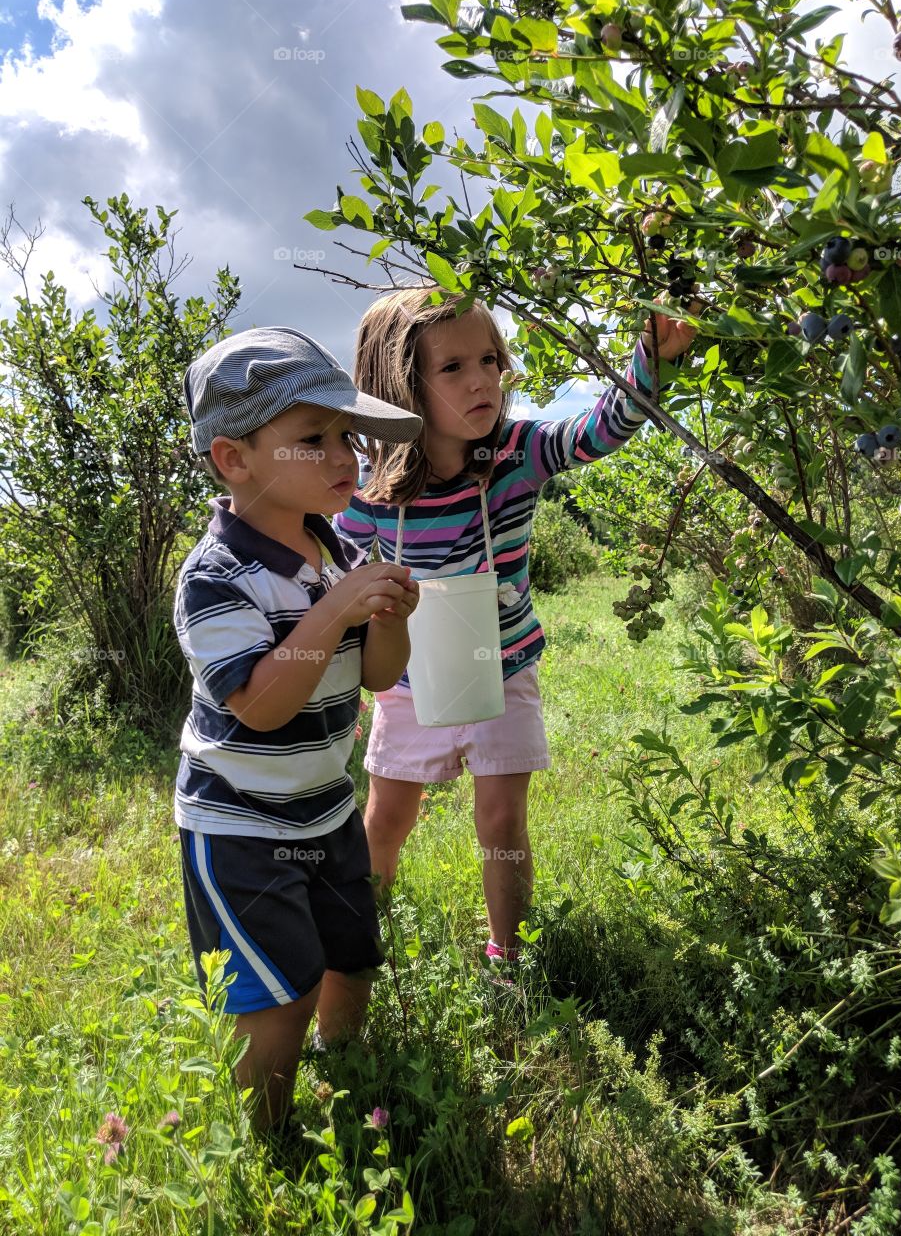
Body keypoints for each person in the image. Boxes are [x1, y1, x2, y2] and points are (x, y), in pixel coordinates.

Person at [333, 288, 696, 969]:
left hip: (503, 667)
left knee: (502, 821)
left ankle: (510, 960)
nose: (482, 381)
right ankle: (357, 941)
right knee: (387, 818)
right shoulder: (370, 491)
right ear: (399, 382)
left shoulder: (518, 453)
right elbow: (335, 574)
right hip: (410, 681)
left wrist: (649, 359)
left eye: (491, 360)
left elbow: (600, 429)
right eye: (453, 368)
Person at [174, 326, 421, 1136]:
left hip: (325, 806)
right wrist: (339, 607)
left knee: (352, 956)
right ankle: (271, 1137)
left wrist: (387, 614)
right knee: (279, 991)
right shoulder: (215, 578)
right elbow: (261, 705)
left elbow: (380, 676)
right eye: (312, 438)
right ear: (234, 461)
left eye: (346, 436)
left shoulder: (336, 547)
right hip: (239, 820)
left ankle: (347, 1078)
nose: (345, 455)